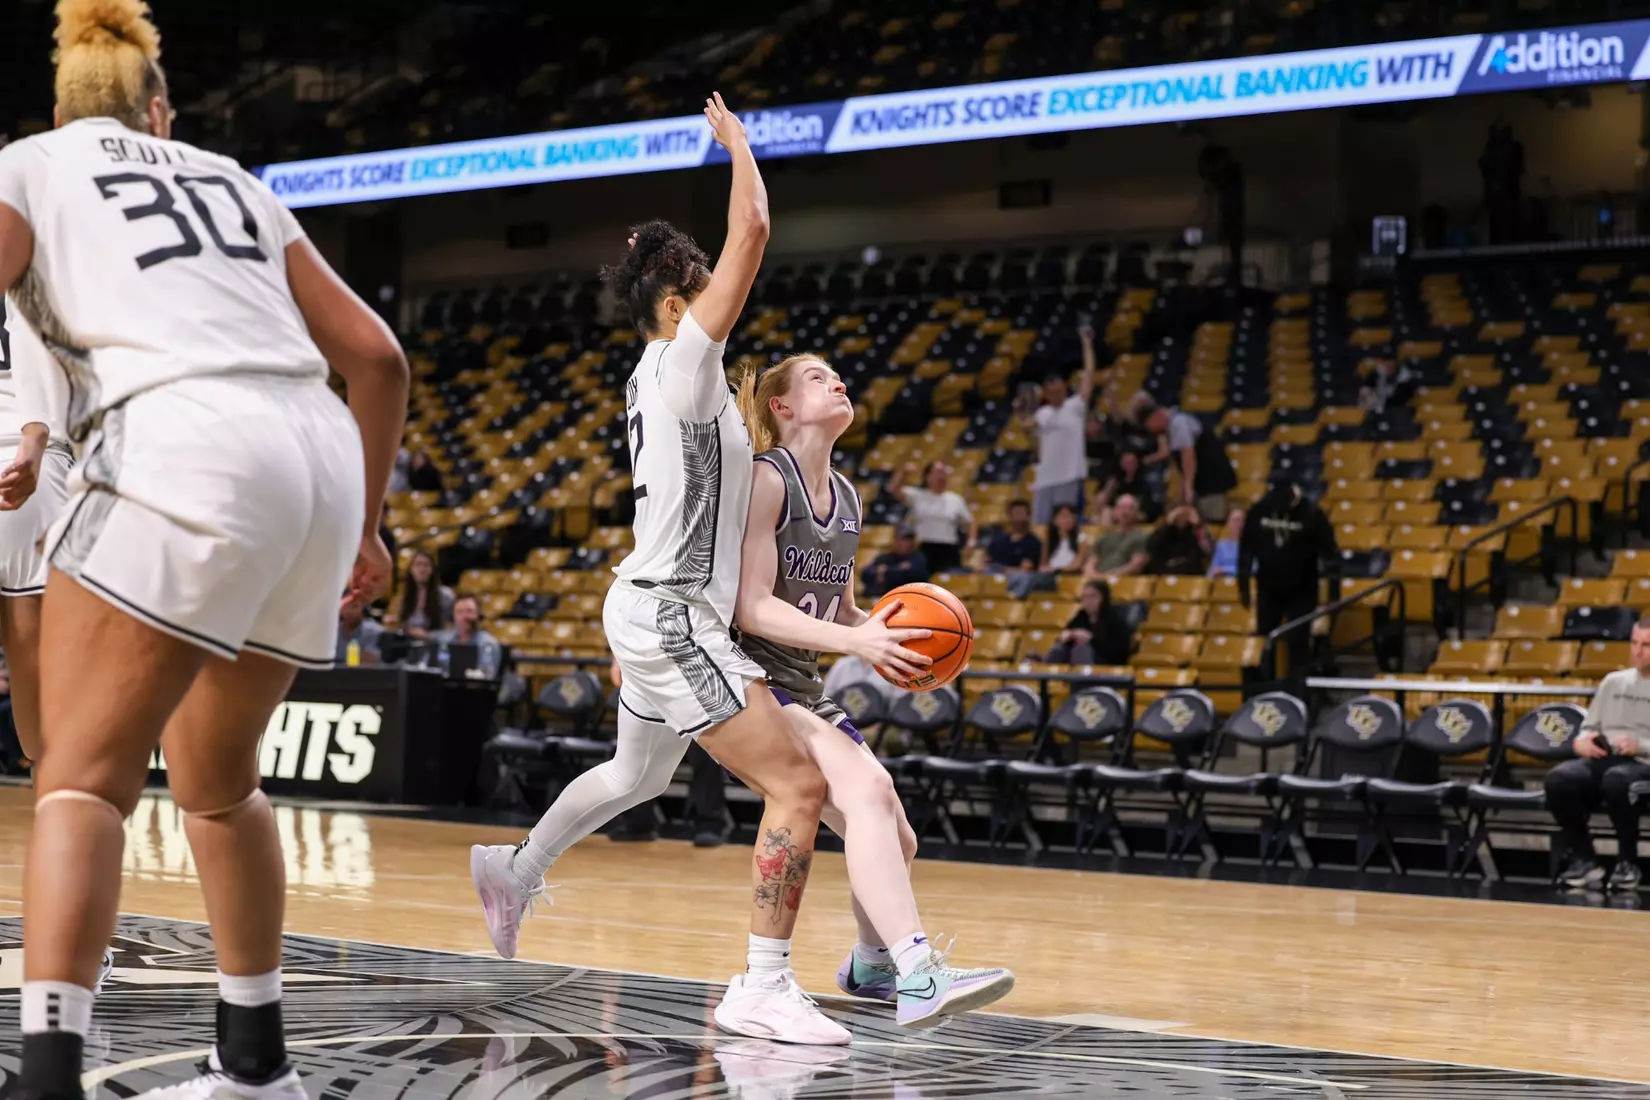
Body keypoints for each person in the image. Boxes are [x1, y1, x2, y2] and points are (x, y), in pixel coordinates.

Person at [0, 4, 410, 1099]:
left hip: (176, 437)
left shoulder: (30, 163)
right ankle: (256, 1064)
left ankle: (46, 1081)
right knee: (219, 786)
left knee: (80, 784)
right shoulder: (234, 176)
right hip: (317, 456)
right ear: (161, 112)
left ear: (61, 110)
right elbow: (376, 357)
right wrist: (366, 526)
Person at [467, 97, 857, 1046]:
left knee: (636, 778)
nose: (724, 297)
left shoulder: (669, 381)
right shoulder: (682, 363)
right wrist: (739, 148)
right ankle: (763, 983)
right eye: (701, 285)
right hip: (674, 616)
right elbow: (754, 229)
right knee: (799, 785)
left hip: (654, 609)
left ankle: (514, 868)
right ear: (679, 309)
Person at [733, 353, 1014, 1027]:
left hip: (801, 680)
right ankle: (918, 973)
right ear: (782, 407)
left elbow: (843, 611)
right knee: (872, 793)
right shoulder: (767, 480)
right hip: (748, 678)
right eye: (816, 377)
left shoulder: (850, 498)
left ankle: (871, 966)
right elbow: (752, 606)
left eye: (838, 375)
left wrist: (897, 641)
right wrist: (856, 643)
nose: (837, 381)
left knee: (898, 836)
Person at [0, 301, 113, 986]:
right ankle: (75, 928)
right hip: (32, 470)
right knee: (54, 736)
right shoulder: (34, 271)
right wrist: (36, 450)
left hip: (30, 458)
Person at [1548, 620, 1650, 893]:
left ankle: (1628, 863)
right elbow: (1588, 727)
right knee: (1559, 779)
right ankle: (1585, 858)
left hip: (1643, 764)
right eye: (1635, 643)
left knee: (1618, 780)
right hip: (1604, 759)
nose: (1638, 651)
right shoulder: (1612, 682)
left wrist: (1640, 745)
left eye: (1646, 645)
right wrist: (1582, 742)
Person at [1237, 478, 1340, 675]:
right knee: (1266, 642)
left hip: (1302, 589)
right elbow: (1246, 548)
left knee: (1298, 644)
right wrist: (1242, 584)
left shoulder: (1312, 513)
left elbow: (1331, 555)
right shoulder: (1260, 509)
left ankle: (1298, 694)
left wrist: (1334, 593)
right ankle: (1266, 692)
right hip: (1268, 588)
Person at [1024, 321, 1096, 526]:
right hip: (1045, 478)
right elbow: (1027, 429)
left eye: (1061, 388)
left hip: (1069, 477)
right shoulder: (1043, 413)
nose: (1058, 392)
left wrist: (1087, 345)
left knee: (1066, 525)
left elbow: (1089, 374)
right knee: (1040, 525)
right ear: (1047, 393)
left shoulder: (1075, 406)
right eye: (1052, 390)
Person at [1140, 399, 1236, 524]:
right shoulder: (1171, 427)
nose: (1152, 430)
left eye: (1150, 425)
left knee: (1212, 520)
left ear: (1156, 416)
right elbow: (1181, 464)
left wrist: (1188, 487)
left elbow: (1188, 455)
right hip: (1201, 483)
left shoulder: (1179, 422)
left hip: (1212, 481)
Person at [886, 460, 974, 574]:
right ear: (928, 477)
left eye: (943, 472)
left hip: (948, 549)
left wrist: (971, 541)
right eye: (937, 472)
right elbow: (895, 490)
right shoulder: (918, 496)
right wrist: (904, 473)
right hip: (923, 548)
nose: (941, 476)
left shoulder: (955, 499)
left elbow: (971, 521)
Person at [1042, 581, 1131, 666]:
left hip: (1105, 662)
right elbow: (1067, 634)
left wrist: (1091, 639)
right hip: (1074, 660)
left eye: (1093, 596)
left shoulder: (1115, 619)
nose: (1089, 601)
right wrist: (1068, 635)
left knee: (1081, 648)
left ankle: (1081, 679)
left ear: (1104, 598)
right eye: (1085, 597)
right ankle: (1042, 672)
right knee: (1059, 648)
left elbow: (1118, 652)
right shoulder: (1081, 616)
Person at [429, 592, 502, 679]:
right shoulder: (444, 641)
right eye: (459, 612)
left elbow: (487, 677)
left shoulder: (488, 644)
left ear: (478, 614)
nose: (465, 617)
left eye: (469, 611)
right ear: (453, 616)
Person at [986, 499, 1043, 598]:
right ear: (1009, 516)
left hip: (1014, 579)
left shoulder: (1033, 542)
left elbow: (1025, 569)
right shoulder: (999, 541)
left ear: (1028, 516)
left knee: (1024, 578)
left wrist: (1003, 570)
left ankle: (1011, 601)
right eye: (1015, 514)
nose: (1018, 518)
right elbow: (986, 561)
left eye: (1022, 514)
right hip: (994, 576)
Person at [1086, 495, 1151, 579]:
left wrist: (1107, 577)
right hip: (1099, 581)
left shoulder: (1142, 537)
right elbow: (1091, 562)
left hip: (1124, 582)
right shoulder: (1105, 537)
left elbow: (1135, 566)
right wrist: (1094, 575)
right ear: (1115, 511)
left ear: (1137, 513)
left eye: (1130, 508)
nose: (1125, 512)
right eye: (1122, 508)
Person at [396, 548, 451, 639]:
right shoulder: (403, 597)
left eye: (426, 565)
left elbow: (455, 630)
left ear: (432, 569)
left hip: (434, 644)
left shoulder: (445, 595)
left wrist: (429, 636)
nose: (422, 569)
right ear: (411, 569)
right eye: (418, 565)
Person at [862, 525, 929, 598]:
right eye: (903, 539)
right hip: (886, 597)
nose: (907, 543)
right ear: (895, 540)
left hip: (909, 597)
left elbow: (919, 575)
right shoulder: (885, 558)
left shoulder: (918, 557)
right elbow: (865, 574)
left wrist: (884, 572)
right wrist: (900, 569)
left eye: (910, 540)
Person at [1146, 506, 1211, 576]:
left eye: (1186, 514)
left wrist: (1197, 525)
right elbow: (1151, 547)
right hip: (1164, 574)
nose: (1182, 517)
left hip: (1190, 575)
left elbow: (1208, 551)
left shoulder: (1196, 531)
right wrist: (1168, 523)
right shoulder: (1165, 532)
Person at [335, 598, 384, 667]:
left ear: (364, 610)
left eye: (355, 606)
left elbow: (369, 660)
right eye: (345, 606)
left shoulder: (374, 631)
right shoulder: (333, 631)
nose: (349, 611)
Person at [1207, 508, 1245, 578]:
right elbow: (1213, 570)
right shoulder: (1221, 546)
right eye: (1234, 520)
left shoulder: (1252, 545)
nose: (1237, 524)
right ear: (1228, 524)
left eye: (1240, 520)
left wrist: (1225, 570)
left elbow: (1253, 568)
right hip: (1222, 583)